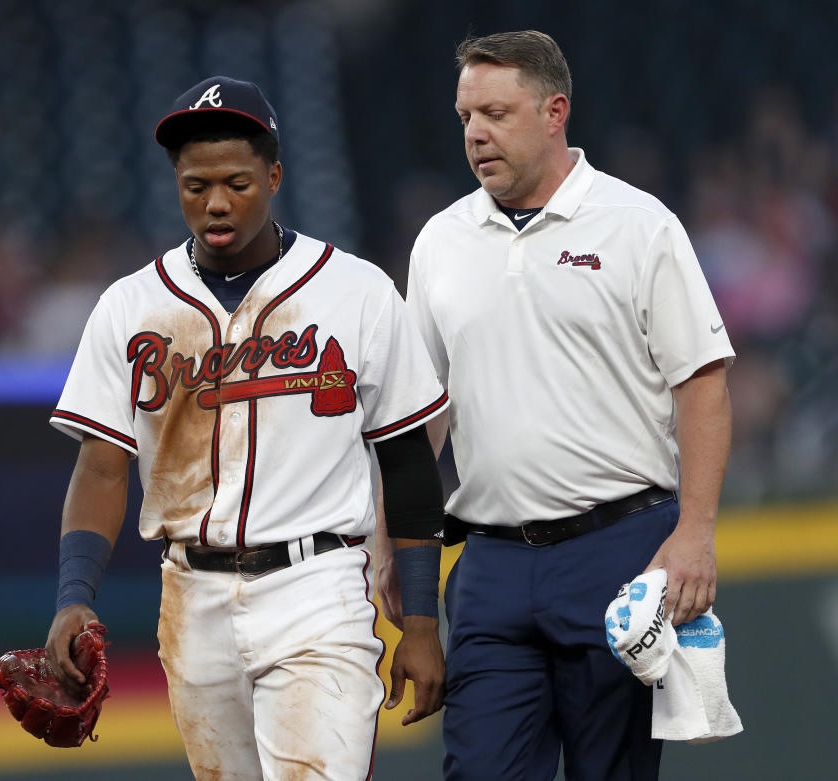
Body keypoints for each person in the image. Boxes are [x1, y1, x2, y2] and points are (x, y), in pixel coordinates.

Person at [43, 76, 449, 780]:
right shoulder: (130, 304)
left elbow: (408, 459)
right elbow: (103, 466)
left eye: (237, 181)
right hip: (190, 598)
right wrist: (74, 596)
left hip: (315, 585)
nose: (217, 202)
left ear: (275, 175)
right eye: (196, 185)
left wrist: (420, 619)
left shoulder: (355, 291)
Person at [376, 31, 735, 781]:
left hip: (620, 547)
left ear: (554, 112)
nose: (476, 133)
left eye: (497, 113)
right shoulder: (441, 240)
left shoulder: (638, 224)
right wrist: (388, 530)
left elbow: (701, 384)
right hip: (491, 563)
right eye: (466, 115)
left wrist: (697, 530)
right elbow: (420, 414)